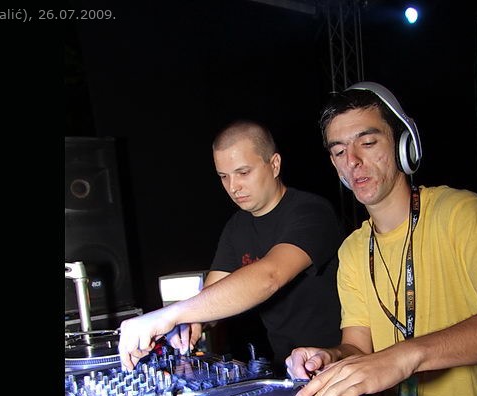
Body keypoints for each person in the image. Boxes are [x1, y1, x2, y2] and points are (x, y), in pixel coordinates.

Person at [285, 82, 477, 396]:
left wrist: (405, 355)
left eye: (367, 142)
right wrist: (330, 358)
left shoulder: (458, 212)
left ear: (404, 145)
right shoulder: (353, 250)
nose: (352, 161)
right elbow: (359, 346)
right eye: (338, 151)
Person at [118, 120, 343, 373]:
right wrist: (191, 323)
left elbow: (270, 276)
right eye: (224, 177)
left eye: (243, 173)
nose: (233, 187)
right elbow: (212, 294)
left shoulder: (312, 211)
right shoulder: (237, 226)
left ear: (274, 164)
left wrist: (170, 315)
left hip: (335, 362)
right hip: (287, 367)